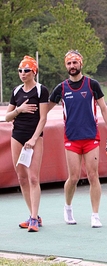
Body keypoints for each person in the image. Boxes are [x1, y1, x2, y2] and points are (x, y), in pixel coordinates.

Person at [48, 50, 107, 228]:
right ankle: (68, 208)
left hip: (91, 137)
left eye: (75, 63)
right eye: (69, 63)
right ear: (66, 66)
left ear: (81, 63)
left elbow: (104, 109)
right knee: (73, 177)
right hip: (71, 138)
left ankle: (95, 215)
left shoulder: (92, 84)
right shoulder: (61, 88)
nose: (72, 66)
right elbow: (45, 110)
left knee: (93, 176)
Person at [5, 55, 49, 232]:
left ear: (34, 72)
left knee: (33, 177)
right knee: (21, 177)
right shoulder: (16, 91)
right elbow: (7, 117)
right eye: (20, 70)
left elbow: (43, 118)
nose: (22, 73)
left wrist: (33, 139)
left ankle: (33, 219)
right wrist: (19, 109)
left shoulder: (40, 91)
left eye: (26, 70)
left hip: (34, 137)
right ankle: (33, 215)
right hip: (17, 136)